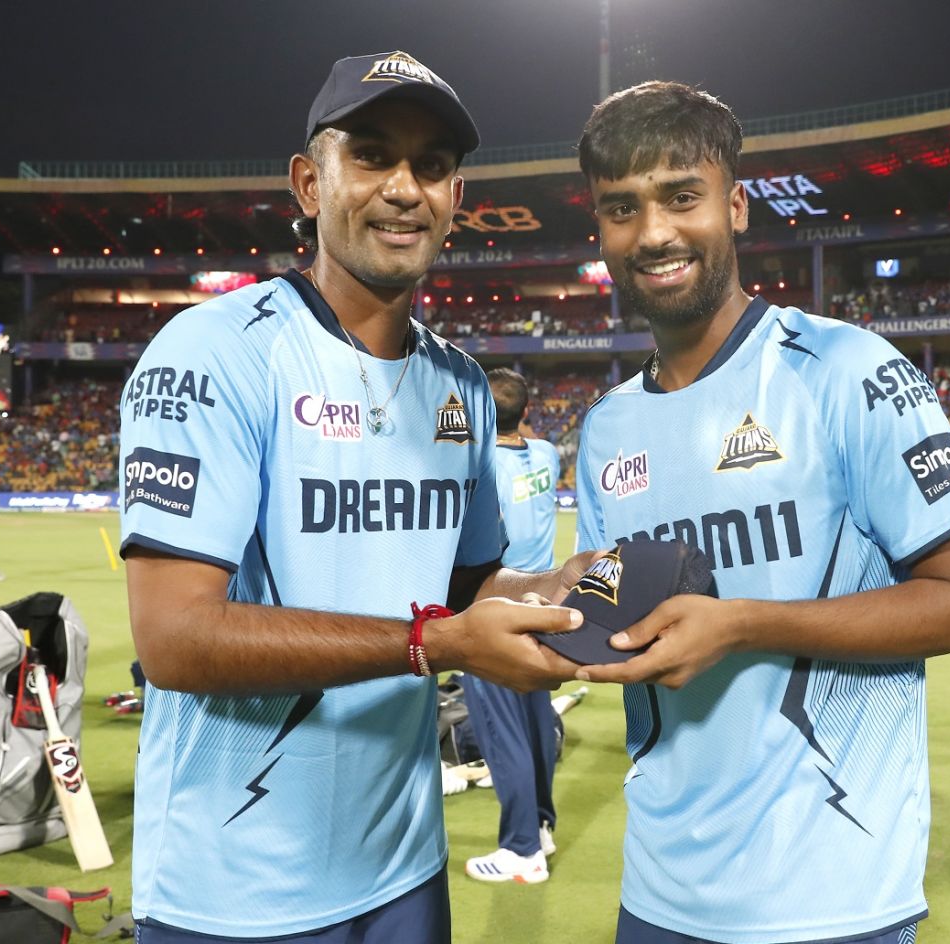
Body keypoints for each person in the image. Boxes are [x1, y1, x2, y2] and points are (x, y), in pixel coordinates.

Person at [118, 51, 584, 944]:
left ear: (456, 198)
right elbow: (174, 639)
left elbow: (472, 586)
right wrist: (436, 643)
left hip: (406, 872)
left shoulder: (463, 387)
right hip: (235, 890)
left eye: (433, 166)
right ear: (308, 182)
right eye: (372, 155)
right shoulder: (214, 351)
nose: (405, 187)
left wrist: (564, 587)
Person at [571, 82, 950, 944]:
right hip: (659, 897)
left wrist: (740, 625)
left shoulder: (847, 370)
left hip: (833, 900)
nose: (653, 233)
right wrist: (561, 615)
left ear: (734, 207)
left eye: (680, 197)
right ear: (602, 229)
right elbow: (613, 609)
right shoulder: (605, 426)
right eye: (623, 209)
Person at [462, 368, 563, 884]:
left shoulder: (480, 463)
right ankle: (541, 825)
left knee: (502, 728)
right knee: (534, 718)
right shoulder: (546, 455)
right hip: (543, 601)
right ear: (526, 411)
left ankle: (522, 850)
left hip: (495, 602)